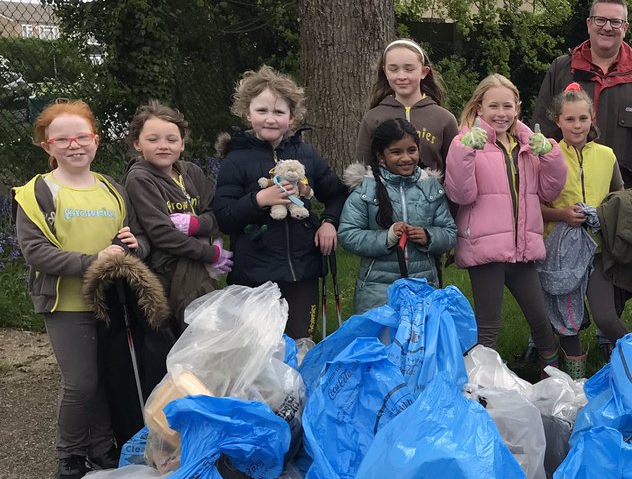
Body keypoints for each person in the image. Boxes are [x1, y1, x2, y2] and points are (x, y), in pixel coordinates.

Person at [13, 100, 148, 479]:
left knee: (105, 377)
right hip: (67, 303)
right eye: (62, 139)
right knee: (81, 383)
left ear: (96, 141)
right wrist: (93, 261)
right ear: (47, 145)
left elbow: (135, 239)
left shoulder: (112, 189)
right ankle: (69, 456)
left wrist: (132, 245)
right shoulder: (36, 193)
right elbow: (36, 253)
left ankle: (102, 448)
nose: (74, 145)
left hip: (110, 298)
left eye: (82, 137)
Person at [213, 65, 348, 340]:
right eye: (262, 111)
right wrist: (260, 199)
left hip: (302, 272)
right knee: (260, 350)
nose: (270, 119)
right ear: (247, 113)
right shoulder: (235, 160)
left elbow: (336, 194)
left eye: (279, 112)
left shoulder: (306, 155)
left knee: (301, 345)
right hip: (254, 275)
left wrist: (329, 223)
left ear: (292, 117)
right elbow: (224, 218)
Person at [444, 74, 567, 370]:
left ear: (518, 108)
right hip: (485, 251)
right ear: (479, 107)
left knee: (541, 322)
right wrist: (465, 152)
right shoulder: (465, 142)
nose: (501, 113)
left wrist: (550, 154)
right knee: (488, 327)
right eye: (494, 106)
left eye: (507, 106)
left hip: (522, 250)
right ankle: (485, 390)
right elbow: (461, 194)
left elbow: (550, 191)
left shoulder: (527, 146)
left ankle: (556, 382)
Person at [532, 0, 632, 193]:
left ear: (625, 28)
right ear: (589, 24)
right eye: (600, 20)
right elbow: (542, 130)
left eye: (615, 22)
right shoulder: (562, 70)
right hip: (566, 195)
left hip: (622, 199)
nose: (607, 27)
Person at [538, 83, 625, 378]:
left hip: (597, 248)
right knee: (567, 317)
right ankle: (574, 380)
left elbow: (619, 198)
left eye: (583, 118)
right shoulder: (547, 155)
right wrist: (561, 214)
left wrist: (603, 215)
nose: (577, 125)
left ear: (592, 119)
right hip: (560, 251)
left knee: (606, 316)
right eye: (570, 119)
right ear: (558, 121)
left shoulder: (607, 155)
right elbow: (533, 205)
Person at [122, 100, 228, 331]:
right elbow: (162, 234)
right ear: (137, 144)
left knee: (209, 333)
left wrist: (195, 224)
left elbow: (215, 217)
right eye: (153, 139)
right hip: (169, 272)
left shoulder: (192, 172)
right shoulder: (140, 178)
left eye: (171, 140)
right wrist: (210, 253)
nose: (163, 146)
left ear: (182, 144)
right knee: (192, 335)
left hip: (200, 269)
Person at [339, 117, 457, 312]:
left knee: (420, 340)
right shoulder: (366, 188)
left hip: (423, 284)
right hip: (377, 289)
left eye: (412, 150)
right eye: (396, 152)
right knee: (382, 341)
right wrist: (387, 237)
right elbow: (348, 234)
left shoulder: (430, 186)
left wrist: (429, 236)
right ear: (380, 156)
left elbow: (450, 232)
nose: (406, 158)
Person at [354, 39, 460, 177]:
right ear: (385, 72)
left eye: (409, 69)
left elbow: (455, 173)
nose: (401, 76)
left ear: (424, 71)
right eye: (393, 69)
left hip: (432, 197)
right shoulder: (373, 118)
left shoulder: (444, 119)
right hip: (383, 197)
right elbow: (362, 172)